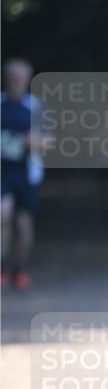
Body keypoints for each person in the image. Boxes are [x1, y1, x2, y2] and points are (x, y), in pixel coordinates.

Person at [1, 59, 45, 289]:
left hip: (27, 174)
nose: (16, 82)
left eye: (20, 78)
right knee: (3, 214)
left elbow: (50, 140)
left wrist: (28, 141)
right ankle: (3, 266)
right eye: (12, 77)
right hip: (3, 172)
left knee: (23, 222)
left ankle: (20, 268)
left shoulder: (34, 106)